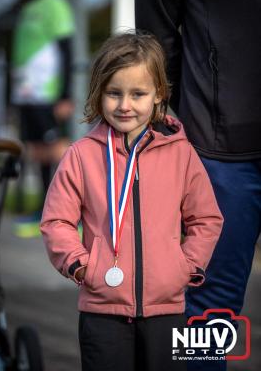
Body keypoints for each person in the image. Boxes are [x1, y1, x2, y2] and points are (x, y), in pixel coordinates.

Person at [40, 32, 223, 371]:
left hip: (167, 311)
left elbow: (206, 218)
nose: (125, 105)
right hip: (102, 311)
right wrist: (82, 265)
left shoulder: (181, 154)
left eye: (137, 93)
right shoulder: (81, 156)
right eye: (114, 93)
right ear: (99, 93)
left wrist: (186, 267)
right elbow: (56, 222)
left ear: (158, 95)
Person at [134, 0, 261, 369]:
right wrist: (201, 103)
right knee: (208, 310)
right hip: (221, 147)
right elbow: (156, 38)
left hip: (222, 138)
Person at [0, 0, 75, 219]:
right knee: (37, 151)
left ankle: (70, 212)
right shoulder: (18, 9)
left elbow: (67, 52)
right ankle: (45, 210)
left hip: (48, 93)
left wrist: (65, 95)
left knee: (57, 150)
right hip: (25, 93)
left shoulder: (55, 6)